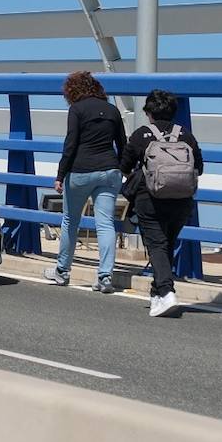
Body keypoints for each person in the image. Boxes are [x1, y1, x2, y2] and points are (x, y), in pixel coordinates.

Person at [122, 89, 203, 318]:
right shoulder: (186, 135)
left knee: (156, 245)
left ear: (149, 113)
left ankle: (167, 291)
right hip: (182, 199)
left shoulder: (141, 135)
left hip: (151, 198)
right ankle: (157, 295)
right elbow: (199, 167)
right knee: (166, 244)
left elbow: (124, 165)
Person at [45, 71, 125, 292]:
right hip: (109, 170)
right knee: (105, 223)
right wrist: (120, 169)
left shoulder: (77, 110)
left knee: (71, 221)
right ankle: (105, 277)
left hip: (81, 171)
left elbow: (70, 144)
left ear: (72, 91)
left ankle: (62, 272)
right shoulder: (112, 110)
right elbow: (123, 144)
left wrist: (60, 175)